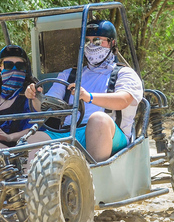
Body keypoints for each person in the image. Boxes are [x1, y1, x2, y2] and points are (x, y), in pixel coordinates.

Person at [24, 19, 143, 162]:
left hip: (110, 134)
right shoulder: (69, 74)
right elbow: (45, 107)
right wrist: (34, 96)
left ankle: (97, 174)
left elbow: (123, 100)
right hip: (70, 132)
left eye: (97, 41)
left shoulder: (124, 73)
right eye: (88, 41)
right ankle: (33, 182)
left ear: (112, 43)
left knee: (98, 119)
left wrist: (89, 97)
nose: (92, 46)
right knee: (35, 138)